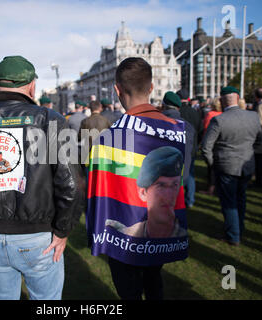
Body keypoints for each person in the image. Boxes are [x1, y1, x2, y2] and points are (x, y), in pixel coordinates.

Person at [0, 55, 83, 300]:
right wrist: (63, 231)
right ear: (31, 85)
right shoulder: (50, 119)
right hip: (37, 237)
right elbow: (71, 185)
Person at [89, 57, 184, 300]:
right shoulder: (178, 130)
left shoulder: (107, 138)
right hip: (158, 231)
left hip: (124, 241)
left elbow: (97, 196)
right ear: (151, 87)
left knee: (130, 291)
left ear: (117, 90)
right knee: (154, 281)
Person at [201, 86, 262, 246]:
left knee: (229, 202)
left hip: (227, 166)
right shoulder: (253, 117)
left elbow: (206, 147)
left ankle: (233, 235)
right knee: (240, 198)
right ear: (238, 98)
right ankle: (238, 229)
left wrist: (213, 165)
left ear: (221, 100)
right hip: (245, 166)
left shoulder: (219, 120)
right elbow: (259, 141)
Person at [106, 147, 187, 238]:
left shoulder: (182, 239)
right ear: (143, 193)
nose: (169, 195)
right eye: (161, 185)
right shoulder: (126, 236)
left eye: (175, 185)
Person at [176, 89, 203, 208]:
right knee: (190, 173)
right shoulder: (195, 112)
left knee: (179, 174)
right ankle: (190, 199)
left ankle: (182, 198)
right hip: (191, 147)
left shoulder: (177, 112)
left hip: (179, 146)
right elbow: (200, 129)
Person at [161, 91, 194, 181]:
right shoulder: (188, 126)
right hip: (180, 176)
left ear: (163, 106)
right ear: (178, 109)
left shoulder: (155, 123)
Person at [200, 97, 222, 195]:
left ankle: (211, 188)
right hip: (220, 142)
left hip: (211, 141)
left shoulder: (210, 114)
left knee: (211, 167)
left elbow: (205, 127)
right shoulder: (223, 114)